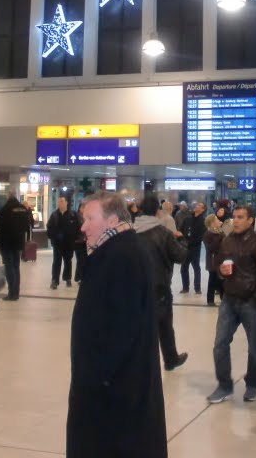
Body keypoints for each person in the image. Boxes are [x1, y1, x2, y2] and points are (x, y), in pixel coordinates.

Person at [66, 192, 166, 458]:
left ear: (111, 221)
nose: (83, 226)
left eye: (90, 218)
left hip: (114, 388)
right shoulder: (115, 250)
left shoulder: (121, 256)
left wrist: (98, 377)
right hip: (114, 382)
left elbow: (123, 327)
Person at [207, 204, 256, 405]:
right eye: (234, 216)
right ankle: (224, 384)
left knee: (254, 347)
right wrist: (220, 272)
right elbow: (218, 264)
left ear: (251, 220)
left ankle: (252, 383)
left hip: (250, 302)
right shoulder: (227, 241)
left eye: (241, 217)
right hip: (229, 299)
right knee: (220, 344)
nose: (236, 220)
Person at [134, 194, 189, 371]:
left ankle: (139, 361)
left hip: (135, 286)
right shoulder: (163, 233)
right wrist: (181, 239)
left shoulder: (130, 231)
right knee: (164, 325)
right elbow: (180, 256)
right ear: (157, 212)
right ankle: (170, 359)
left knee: (138, 325)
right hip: (159, 286)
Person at [0, 195, 28, 300]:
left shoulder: (4, 210)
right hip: (18, 243)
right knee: (16, 267)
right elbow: (27, 225)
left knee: (9, 267)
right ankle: (16, 292)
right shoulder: (23, 210)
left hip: (6, 243)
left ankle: (12, 293)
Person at [47, 196, 79, 289]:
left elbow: (77, 227)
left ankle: (67, 278)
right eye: (58, 202)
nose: (60, 203)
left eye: (61, 201)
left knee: (68, 261)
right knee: (56, 262)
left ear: (66, 203)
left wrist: (74, 238)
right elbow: (49, 227)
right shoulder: (54, 215)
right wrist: (53, 236)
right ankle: (54, 280)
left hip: (69, 243)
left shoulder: (73, 214)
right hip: (57, 243)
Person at [179, 201, 207, 294]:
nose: (197, 206)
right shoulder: (188, 218)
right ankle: (185, 287)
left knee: (196, 267)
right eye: (197, 205)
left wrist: (192, 242)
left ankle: (197, 288)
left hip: (195, 247)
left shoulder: (203, 221)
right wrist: (183, 240)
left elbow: (201, 236)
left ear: (203, 209)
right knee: (184, 267)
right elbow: (181, 230)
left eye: (199, 205)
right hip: (185, 246)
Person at [203, 213, 227, 306]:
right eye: (216, 220)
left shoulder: (221, 232)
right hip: (212, 261)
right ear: (212, 223)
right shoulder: (208, 234)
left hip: (221, 260)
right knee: (212, 281)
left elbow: (225, 242)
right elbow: (212, 248)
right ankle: (210, 300)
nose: (218, 221)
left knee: (222, 280)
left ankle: (223, 299)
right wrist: (219, 236)